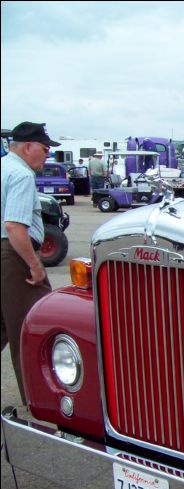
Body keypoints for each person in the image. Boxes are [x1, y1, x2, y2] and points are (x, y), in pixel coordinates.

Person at [1, 122, 60, 402]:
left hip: (6, 253)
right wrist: (34, 265)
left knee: (4, 324)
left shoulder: (3, 168)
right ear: (27, 147)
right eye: (45, 150)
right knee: (33, 324)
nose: (47, 156)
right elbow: (14, 226)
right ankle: (40, 397)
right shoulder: (21, 175)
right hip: (14, 256)